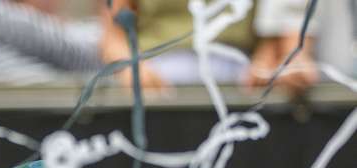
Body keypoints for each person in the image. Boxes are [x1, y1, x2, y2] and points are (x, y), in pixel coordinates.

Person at [99, 0, 322, 96]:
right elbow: (112, 38)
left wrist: (268, 64)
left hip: (239, 84)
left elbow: (280, 25)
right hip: (158, 83)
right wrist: (131, 68)